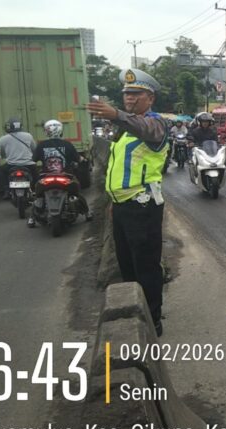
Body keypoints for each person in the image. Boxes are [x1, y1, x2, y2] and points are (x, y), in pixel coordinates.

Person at [86, 68, 169, 337]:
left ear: (150, 98)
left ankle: (153, 320)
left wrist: (117, 115)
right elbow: (117, 166)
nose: (129, 99)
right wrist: (113, 201)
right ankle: (136, 310)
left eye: (136, 94)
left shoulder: (155, 124)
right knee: (127, 265)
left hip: (143, 206)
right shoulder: (123, 130)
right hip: (123, 207)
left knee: (146, 266)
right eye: (126, 94)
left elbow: (146, 129)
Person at [29, 119, 92, 227]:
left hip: (46, 177)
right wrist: (84, 161)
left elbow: (33, 160)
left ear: (46, 132)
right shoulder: (67, 145)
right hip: (65, 176)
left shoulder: (41, 145)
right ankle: (87, 213)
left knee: (37, 195)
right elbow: (78, 159)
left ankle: (32, 219)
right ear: (61, 131)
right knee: (77, 193)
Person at [0, 117, 37, 199]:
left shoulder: (3, 139)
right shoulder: (28, 136)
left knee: (2, 171)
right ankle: (35, 190)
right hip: (28, 164)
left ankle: (7, 190)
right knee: (36, 176)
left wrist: (5, 156)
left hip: (11, 165)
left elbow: (2, 153)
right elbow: (34, 149)